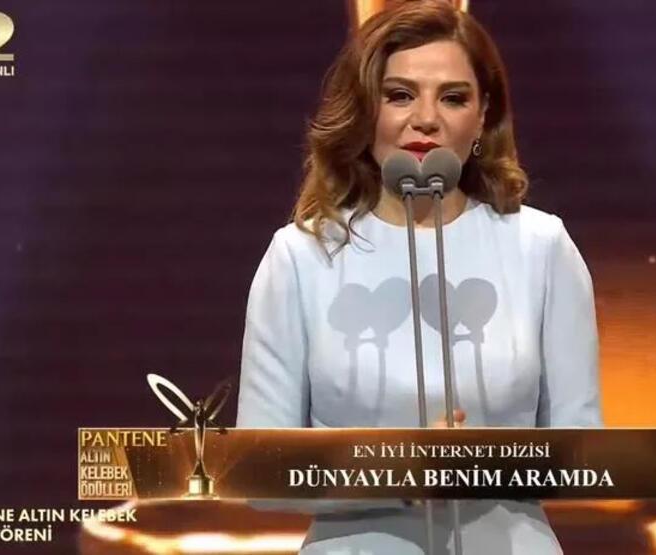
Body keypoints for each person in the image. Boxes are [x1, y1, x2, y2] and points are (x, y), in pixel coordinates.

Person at [235, 1, 601, 553]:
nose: (426, 118)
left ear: (482, 118)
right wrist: (403, 470)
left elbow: (587, 458)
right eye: (400, 95)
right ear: (366, 111)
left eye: (453, 98)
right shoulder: (301, 255)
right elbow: (259, 472)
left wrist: (475, 465)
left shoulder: (541, 246)